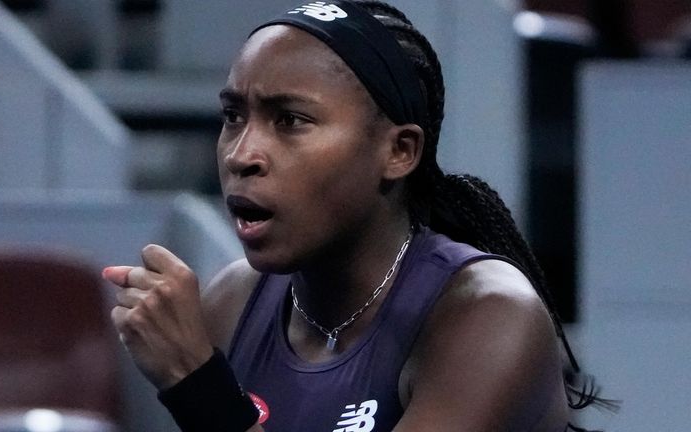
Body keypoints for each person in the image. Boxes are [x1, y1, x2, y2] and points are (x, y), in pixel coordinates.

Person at [103, 1, 608, 431]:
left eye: (291, 120)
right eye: (233, 116)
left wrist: (199, 387)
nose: (241, 154)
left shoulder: (490, 317)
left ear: (399, 151)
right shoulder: (232, 303)